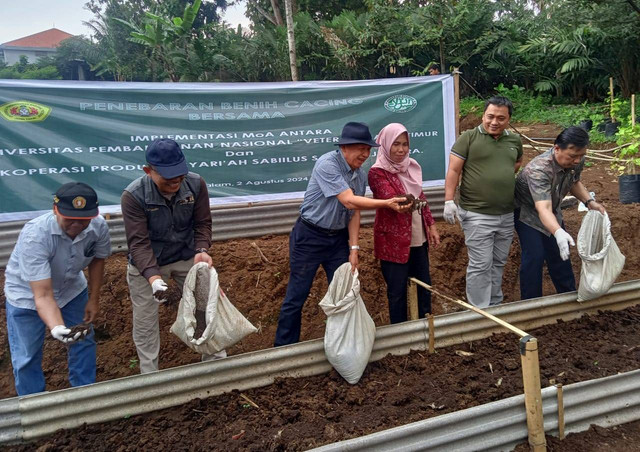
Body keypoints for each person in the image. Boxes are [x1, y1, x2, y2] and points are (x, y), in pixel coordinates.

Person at [274, 122, 410, 346]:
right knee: (297, 294)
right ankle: (283, 349)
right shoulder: (327, 164)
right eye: (360, 149)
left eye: (368, 150)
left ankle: (345, 344)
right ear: (344, 147)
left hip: (337, 240)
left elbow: (354, 211)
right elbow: (348, 199)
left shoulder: (359, 174)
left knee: (345, 292)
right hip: (309, 237)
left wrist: (354, 248)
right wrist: (386, 203)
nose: (365, 154)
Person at [4, 182, 111, 396]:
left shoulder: (98, 226)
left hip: (72, 290)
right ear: (55, 210)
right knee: (27, 355)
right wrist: (56, 327)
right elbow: (42, 294)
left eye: (83, 219)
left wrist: (94, 299)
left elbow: (98, 260)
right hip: (26, 296)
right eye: (69, 218)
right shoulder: (36, 235)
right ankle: (34, 405)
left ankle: (84, 395)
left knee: (83, 341)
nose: (77, 224)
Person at [122, 138, 215, 374]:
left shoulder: (196, 184)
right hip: (147, 264)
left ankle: (215, 362)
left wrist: (202, 250)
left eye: (179, 174)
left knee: (205, 307)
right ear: (148, 171)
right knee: (145, 322)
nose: (176, 181)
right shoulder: (133, 196)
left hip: (186, 256)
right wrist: (154, 279)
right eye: (168, 176)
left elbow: (202, 223)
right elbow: (139, 243)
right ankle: (149, 376)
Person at [443, 96, 523, 308]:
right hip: (477, 214)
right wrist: (449, 200)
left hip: (506, 214)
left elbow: (517, 163)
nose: (494, 122)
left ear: (509, 119)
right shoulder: (468, 138)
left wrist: (499, 176)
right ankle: (480, 310)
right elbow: (453, 170)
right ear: (483, 116)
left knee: (498, 262)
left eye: (501, 118)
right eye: (490, 117)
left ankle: (494, 304)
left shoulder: (514, 141)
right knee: (481, 264)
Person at [514, 126, 605, 299]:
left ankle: (568, 297)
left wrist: (589, 202)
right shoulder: (539, 170)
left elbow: (573, 181)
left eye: (581, 155)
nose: (578, 160)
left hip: (552, 210)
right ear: (557, 148)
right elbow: (543, 208)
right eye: (573, 156)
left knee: (560, 255)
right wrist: (558, 232)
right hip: (526, 213)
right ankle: (531, 304)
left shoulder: (575, 160)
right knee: (535, 256)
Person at [368, 123, 440, 323]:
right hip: (393, 240)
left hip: (418, 235)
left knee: (424, 286)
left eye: (405, 144)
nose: (401, 150)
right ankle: (399, 335)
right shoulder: (377, 172)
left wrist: (431, 224)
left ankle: (425, 330)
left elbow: (420, 195)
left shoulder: (412, 166)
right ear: (385, 145)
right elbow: (395, 200)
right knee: (397, 291)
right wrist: (411, 201)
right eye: (395, 144)